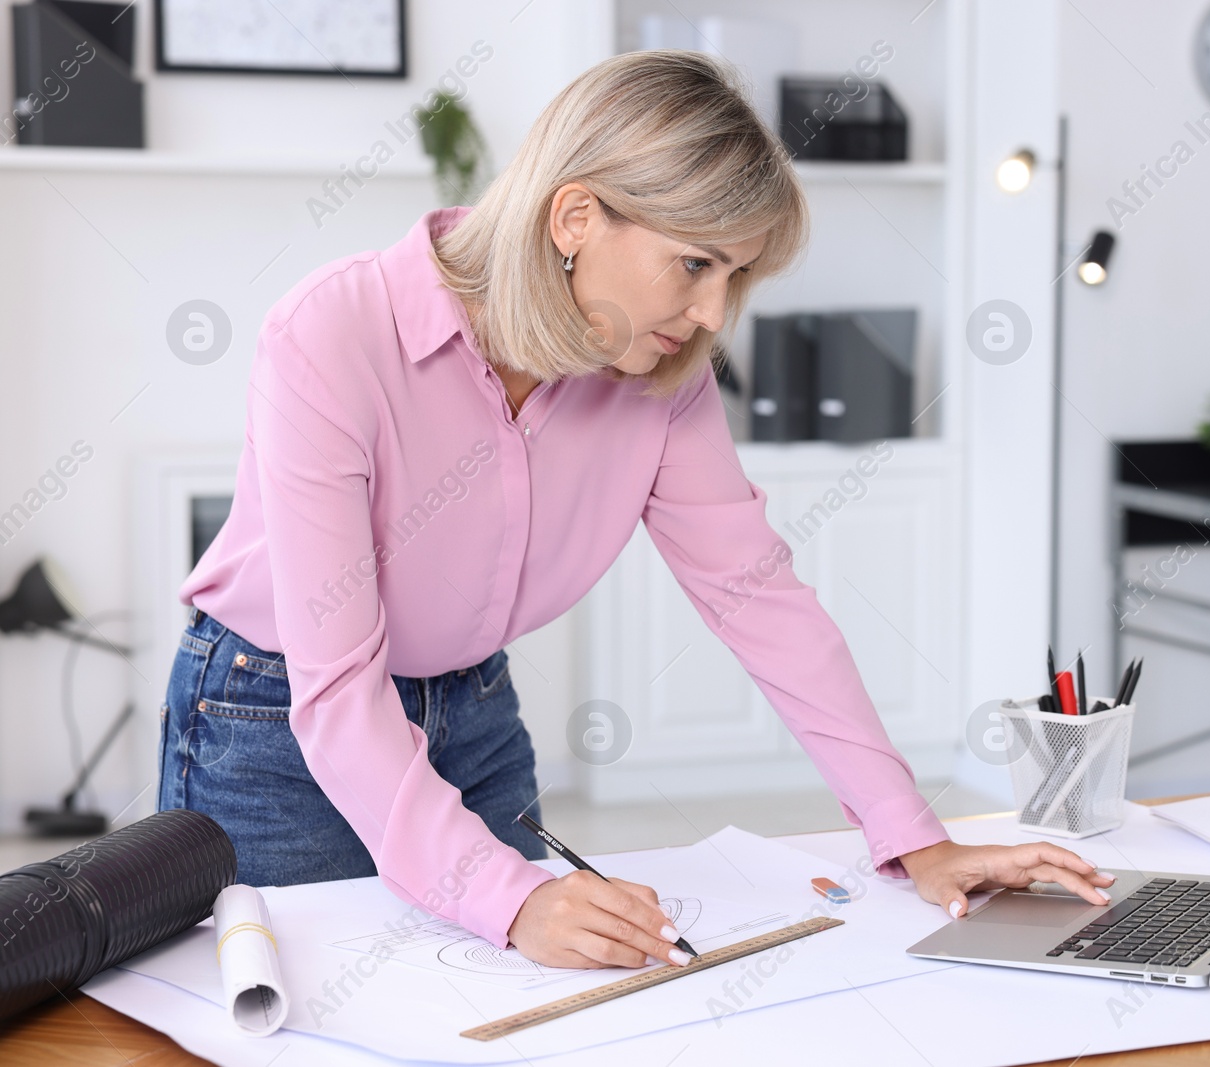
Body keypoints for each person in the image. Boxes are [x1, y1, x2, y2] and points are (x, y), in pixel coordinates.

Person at [160, 50, 1114, 971]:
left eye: (736, 278)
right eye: (696, 263)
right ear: (575, 215)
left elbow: (762, 601)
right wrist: (510, 896)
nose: (712, 315)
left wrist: (913, 836)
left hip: (472, 707)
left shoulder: (665, 378)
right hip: (272, 717)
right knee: (285, 1019)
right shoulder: (333, 332)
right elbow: (338, 690)